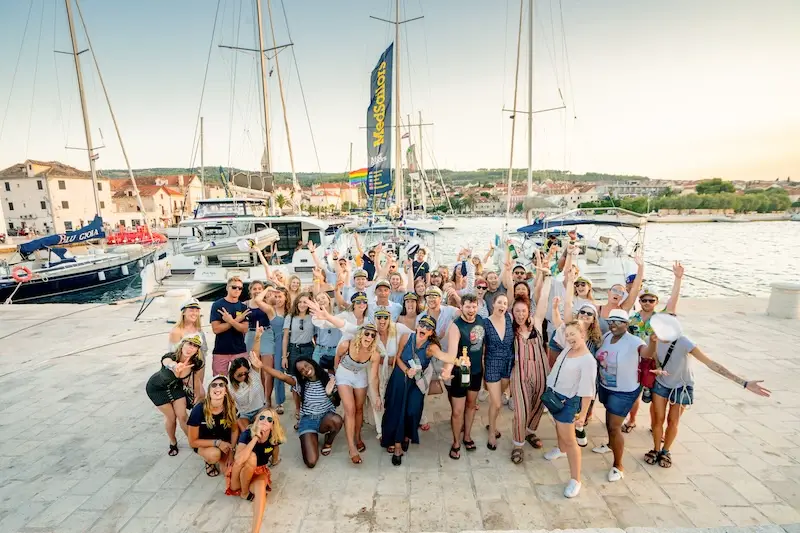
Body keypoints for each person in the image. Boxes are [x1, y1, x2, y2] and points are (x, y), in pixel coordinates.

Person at [644, 318, 770, 469]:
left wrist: (744, 383)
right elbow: (655, 359)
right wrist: (657, 364)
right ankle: (656, 449)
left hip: (682, 386)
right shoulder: (652, 339)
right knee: (657, 420)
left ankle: (666, 451)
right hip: (661, 383)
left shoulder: (684, 342)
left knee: (673, 421)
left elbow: (710, 363)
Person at [380, 316, 455, 465]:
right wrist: (407, 370)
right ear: (417, 326)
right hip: (400, 378)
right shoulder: (406, 337)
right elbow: (398, 358)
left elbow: (444, 356)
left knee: (412, 411)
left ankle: (407, 435)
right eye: (422, 324)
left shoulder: (431, 347)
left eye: (428, 327)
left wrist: (459, 361)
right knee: (397, 410)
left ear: (431, 332)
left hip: (417, 382)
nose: (424, 328)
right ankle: (397, 445)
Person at [594, 309, 656, 481]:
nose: (613, 324)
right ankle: (609, 444)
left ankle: (618, 465)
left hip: (624, 390)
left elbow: (647, 353)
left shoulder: (633, 341)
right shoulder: (607, 337)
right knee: (608, 419)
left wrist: (653, 342)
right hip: (606, 386)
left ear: (626, 324)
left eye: (618, 321)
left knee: (614, 426)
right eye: (611, 321)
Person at [624, 261, 684, 432]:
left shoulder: (661, 317)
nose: (647, 302)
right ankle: (632, 420)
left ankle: (654, 426)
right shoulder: (633, 318)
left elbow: (673, 302)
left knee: (655, 398)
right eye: (644, 299)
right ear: (640, 300)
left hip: (656, 364)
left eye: (651, 300)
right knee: (634, 394)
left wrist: (678, 279)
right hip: (636, 362)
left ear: (656, 301)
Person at [543, 321, 597, 498]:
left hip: (567, 402)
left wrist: (582, 415)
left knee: (570, 440)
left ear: (583, 334)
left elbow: (588, 391)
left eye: (573, 334)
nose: (569, 338)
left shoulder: (588, 360)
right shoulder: (568, 348)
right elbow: (562, 319)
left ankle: (576, 480)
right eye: (567, 335)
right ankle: (560, 449)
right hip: (554, 396)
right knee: (558, 428)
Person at [262, 357, 344, 468]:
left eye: (306, 365)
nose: (305, 369)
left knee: (337, 420)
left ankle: (328, 441)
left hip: (325, 418)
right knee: (311, 461)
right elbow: (282, 376)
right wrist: (262, 366)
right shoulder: (300, 383)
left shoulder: (329, 378)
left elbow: (337, 403)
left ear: (312, 363)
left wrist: (329, 393)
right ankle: (309, 435)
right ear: (301, 374)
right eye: (301, 370)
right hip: (308, 420)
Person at [509, 273, 551, 464]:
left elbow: (543, 300)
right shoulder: (510, 329)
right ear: (512, 312)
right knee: (521, 410)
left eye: (523, 311)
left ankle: (530, 432)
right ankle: (518, 444)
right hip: (520, 374)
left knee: (538, 405)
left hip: (542, 372)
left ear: (528, 311)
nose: (520, 314)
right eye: (516, 311)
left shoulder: (537, 325)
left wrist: (547, 277)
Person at [145, 335, 204, 456]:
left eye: (195, 346)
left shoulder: (195, 363)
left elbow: (196, 380)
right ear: (182, 345)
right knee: (171, 418)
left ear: (197, 350)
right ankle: (173, 441)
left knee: (182, 416)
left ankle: (193, 442)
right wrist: (175, 366)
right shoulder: (171, 357)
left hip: (175, 388)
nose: (190, 348)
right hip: (157, 389)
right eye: (189, 344)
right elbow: (167, 362)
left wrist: (200, 396)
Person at [230, 408, 286, 533]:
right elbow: (238, 460)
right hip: (240, 475)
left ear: (273, 425)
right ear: (256, 420)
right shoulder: (247, 433)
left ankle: (255, 531)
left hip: (258, 472)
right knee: (252, 457)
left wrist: (275, 460)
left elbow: (275, 449)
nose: (264, 421)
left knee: (261, 486)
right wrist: (255, 437)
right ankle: (244, 493)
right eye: (261, 417)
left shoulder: (274, 437)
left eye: (269, 419)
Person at [442, 294, 485, 459]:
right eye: (468, 306)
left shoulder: (481, 321)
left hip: (476, 373)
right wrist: (447, 370)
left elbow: (484, 347)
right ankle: (456, 442)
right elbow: (451, 352)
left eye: (474, 306)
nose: (471, 310)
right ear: (461, 307)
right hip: (460, 373)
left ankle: (467, 436)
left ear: (478, 307)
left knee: (471, 405)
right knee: (458, 411)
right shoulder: (455, 326)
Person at [334, 323, 384, 464]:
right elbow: (337, 357)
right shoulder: (346, 344)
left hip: (360, 375)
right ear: (361, 333)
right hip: (344, 373)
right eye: (367, 333)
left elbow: (374, 377)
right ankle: (352, 448)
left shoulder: (374, 353)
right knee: (350, 409)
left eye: (373, 335)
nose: (369, 337)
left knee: (359, 408)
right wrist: (336, 372)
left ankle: (357, 437)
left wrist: (377, 396)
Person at [188, 374, 239, 478]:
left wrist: (231, 451)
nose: (217, 388)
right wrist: (217, 443)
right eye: (214, 385)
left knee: (228, 473)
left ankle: (223, 456)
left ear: (226, 391)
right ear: (209, 391)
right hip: (206, 444)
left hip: (225, 443)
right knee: (214, 455)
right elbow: (192, 442)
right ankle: (209, 462)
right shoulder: (198, 410)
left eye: (221, 385)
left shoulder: (231, 407)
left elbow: (234, 430)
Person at [483, 293, 514, 451]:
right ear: (493, 304)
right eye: (499, 302)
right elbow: (480, 347)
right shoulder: (485, 323)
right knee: (496, 402)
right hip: (492, 365)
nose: (502, 305)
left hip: (507, 365)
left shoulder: (509, 319)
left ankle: (492, 424)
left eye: (505, 303)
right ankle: (491, 433)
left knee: (497, 402)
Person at [254, 285, 289, 415]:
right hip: (273, 343)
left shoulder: (290, 311)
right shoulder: (271, 310)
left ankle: (285, 401)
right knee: (271, 372)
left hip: (287, 343)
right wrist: (268, 288)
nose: (278, 299)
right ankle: (271, 400)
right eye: (275, 296)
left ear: (286, 297)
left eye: (280, 296)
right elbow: (258, 300)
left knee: (284, 372)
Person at [282, 292, 315, 423]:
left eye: (305, 302)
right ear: (296, 303)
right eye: (300, 302)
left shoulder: (313, 317)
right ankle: (298, 408)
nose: (302, 304)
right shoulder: (290, 317)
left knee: (309, 380)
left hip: (308, 349)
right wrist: (284, 356)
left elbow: (317, 336)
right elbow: (285, 337)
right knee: (295, 382)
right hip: (294, 350)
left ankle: (308, 407)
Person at [243, 282, 276, 408]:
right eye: (254, 289)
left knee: (267, 369)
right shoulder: (245, 304)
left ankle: (267, 398)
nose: (257, 291)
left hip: (266, 333)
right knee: (253, 368)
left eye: (260, 288)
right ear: (250, 291)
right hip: (251, 335)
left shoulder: (267, 302)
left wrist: (269, 289)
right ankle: (256, 396)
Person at [210, 276, 250, 375]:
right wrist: (237, 321)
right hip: (220, 351)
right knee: (220, 381)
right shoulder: (217, 305)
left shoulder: (243, 307)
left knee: (241, 382)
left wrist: (230, 321)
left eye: (240, 288)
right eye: (234, 287)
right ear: (227, 288)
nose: (237, 290)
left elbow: (244, 329)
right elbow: (216, 329)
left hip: (239, 350)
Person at [229, 351, 267, 432]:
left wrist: (257, 339)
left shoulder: (253, 374)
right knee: (246, 433)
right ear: (233, 374)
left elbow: (255, 354)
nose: (243, 376)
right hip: (244, 414)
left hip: (259, 409)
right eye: (239, 375)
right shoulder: (229, 385)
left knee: (261, 429)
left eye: (245, 373)